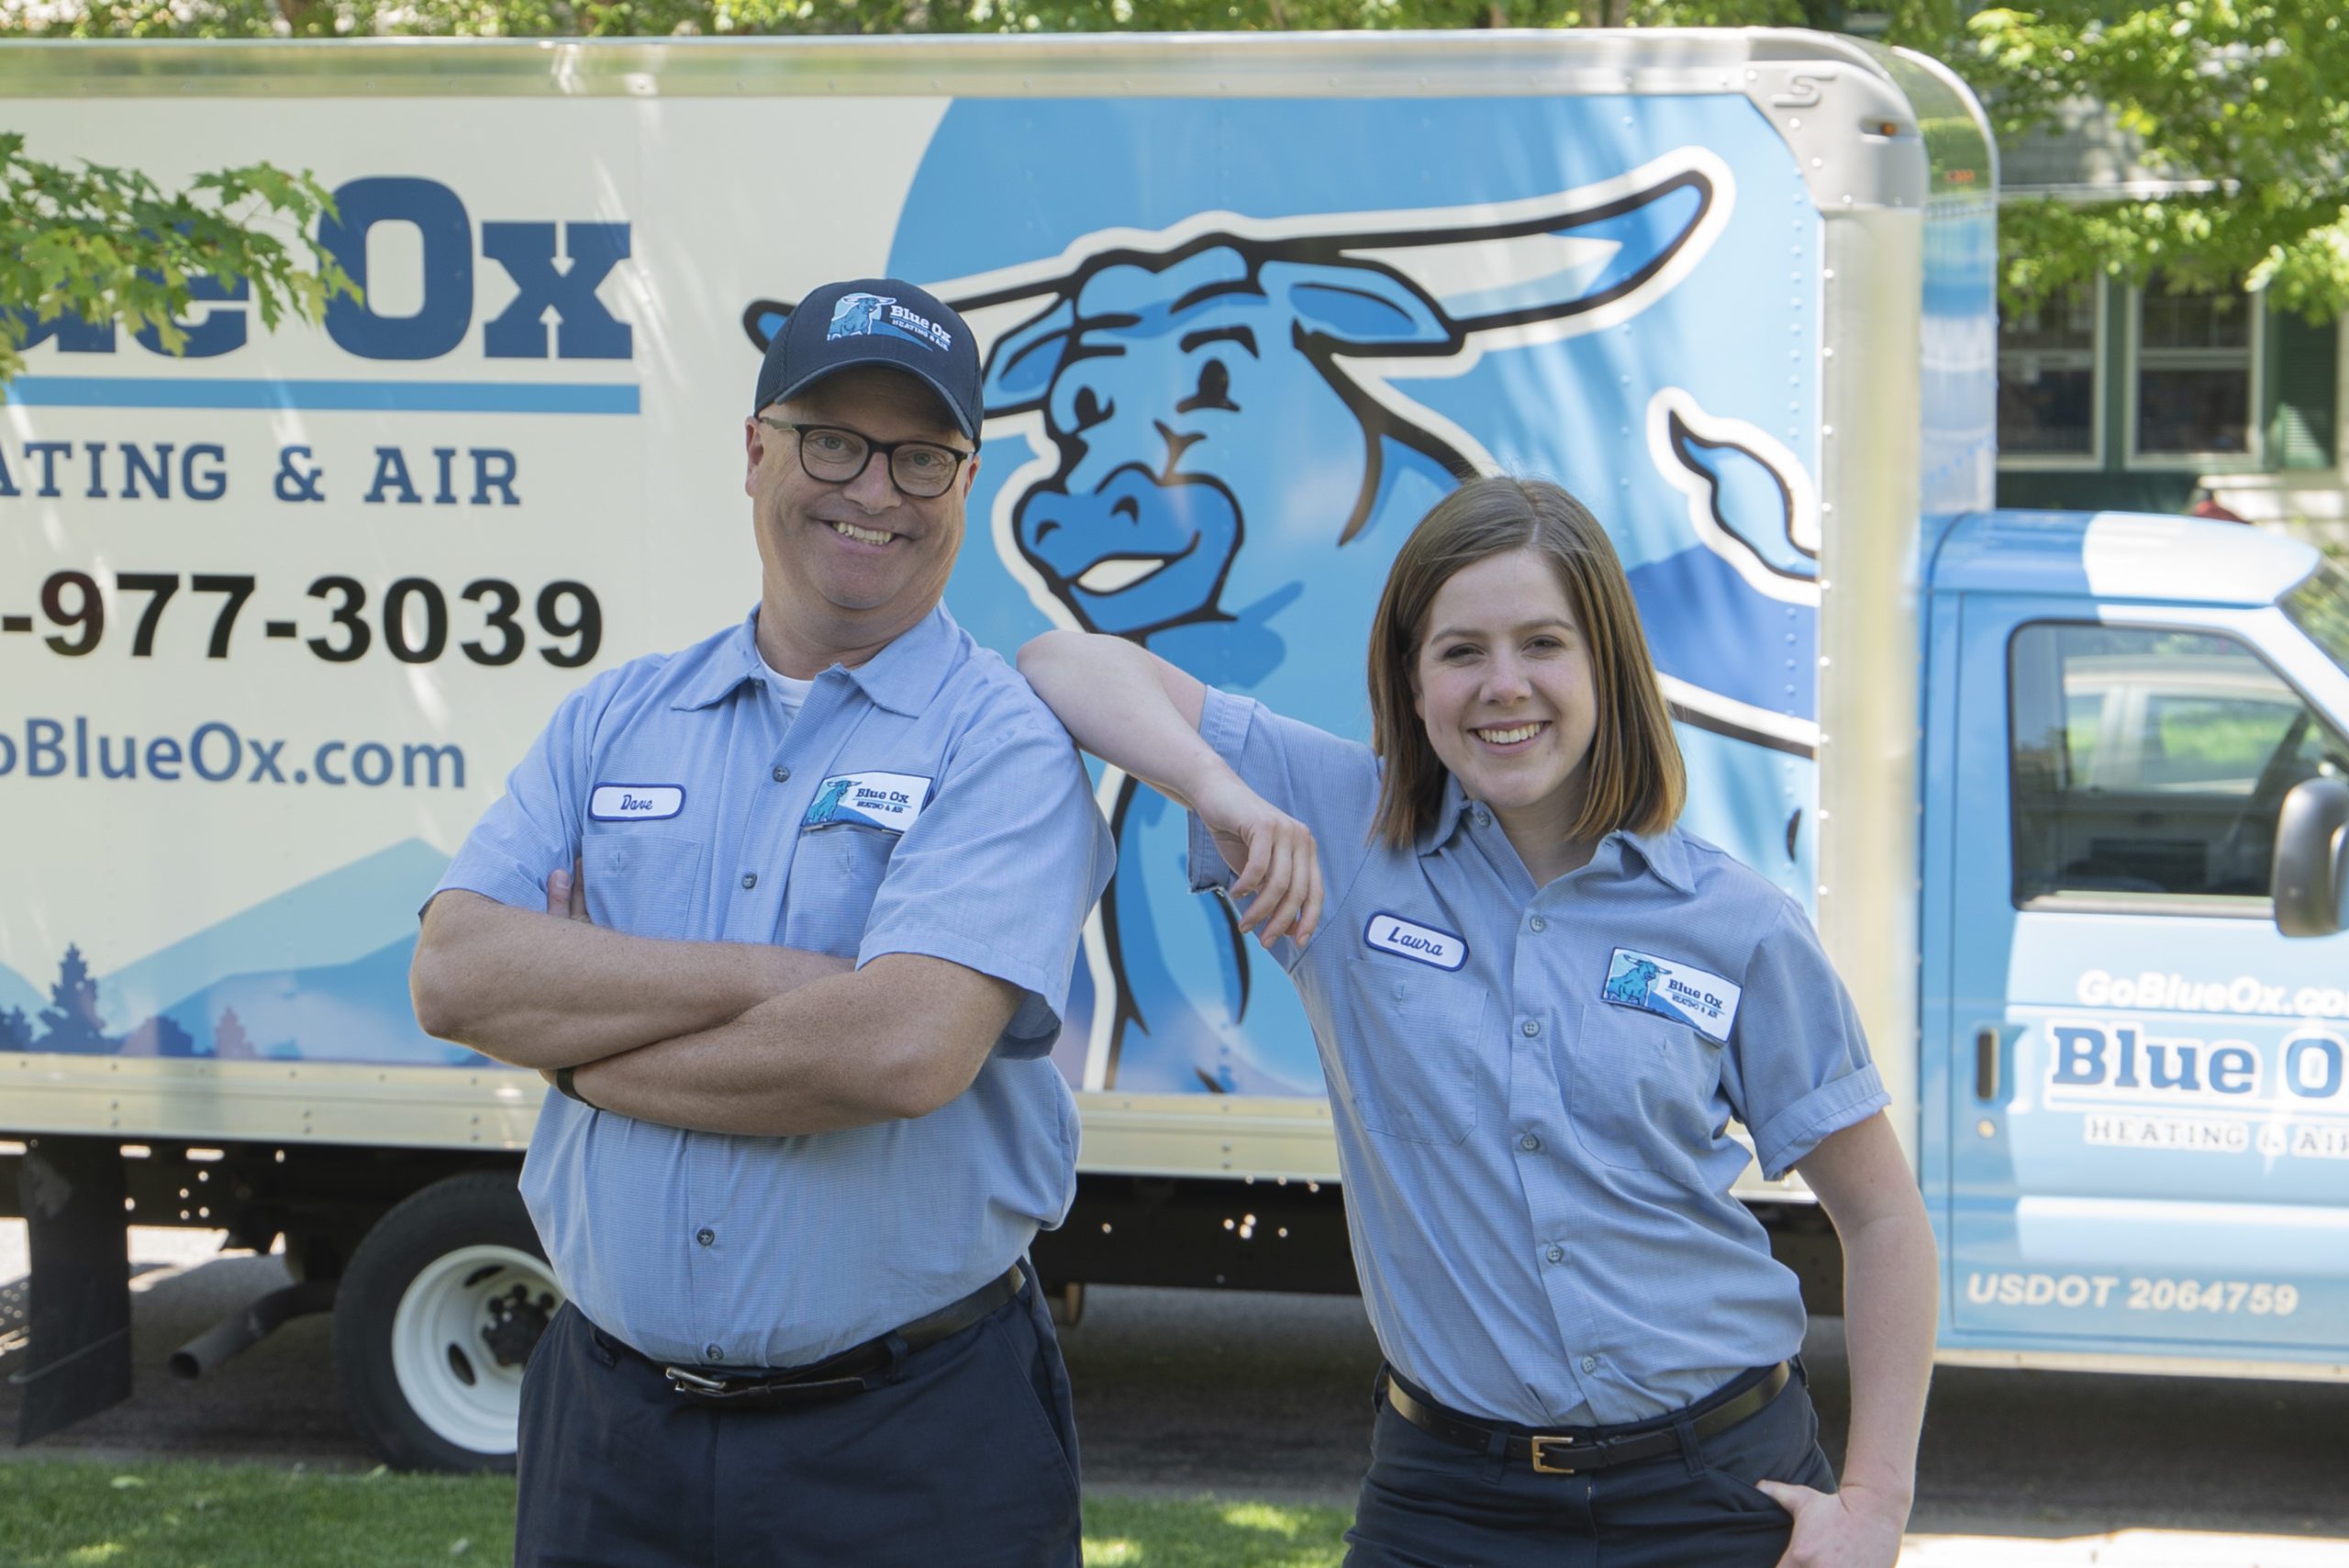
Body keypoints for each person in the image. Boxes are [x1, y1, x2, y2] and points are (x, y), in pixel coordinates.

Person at [1018, 476, 1936, 1568]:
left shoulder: (1735, 924)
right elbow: (1061, 663)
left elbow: (1882, 1221)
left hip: (1716, 1493)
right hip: (1451, 1504)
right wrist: (1222, 791)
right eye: (1460, 651)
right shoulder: (1345, 836)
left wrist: (1875, 1502)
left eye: (1542, 642)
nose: (1504, 686)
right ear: (1411, 683)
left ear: (1605, 663)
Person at [410, 277, 1113, 1568]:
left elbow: (897, 1053)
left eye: (920, 456)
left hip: (912, 1448)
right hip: (609, 1437)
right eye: (832, 441)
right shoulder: (616, 716)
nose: (874, 490)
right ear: (755, 451)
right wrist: (776, 980)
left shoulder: (1005, 742)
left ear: (965, 480)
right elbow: (456, 974)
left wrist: (578, 1040)